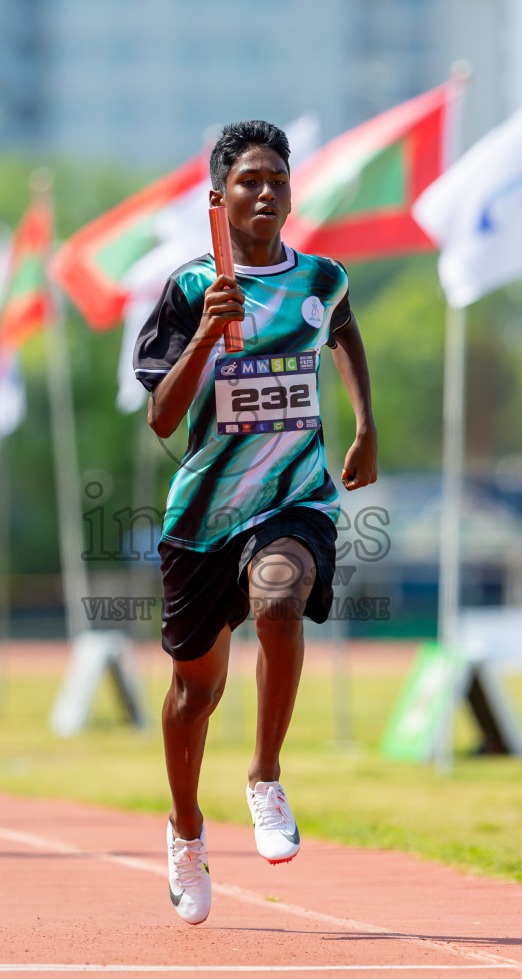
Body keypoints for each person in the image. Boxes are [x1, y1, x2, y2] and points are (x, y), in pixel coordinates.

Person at [134, 120, 378, 925]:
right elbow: (163, 420)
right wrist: (207, 329)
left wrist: (364, 422)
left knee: (280, 600)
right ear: (219, 198)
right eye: (249, 181)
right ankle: (186, 828)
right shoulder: (187, 289)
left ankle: (266, 777)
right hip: (204, 515)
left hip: (295, 497)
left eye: (277, 178)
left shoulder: (323, 276)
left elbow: (339, 325)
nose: (266, 191)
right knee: (193, 691)